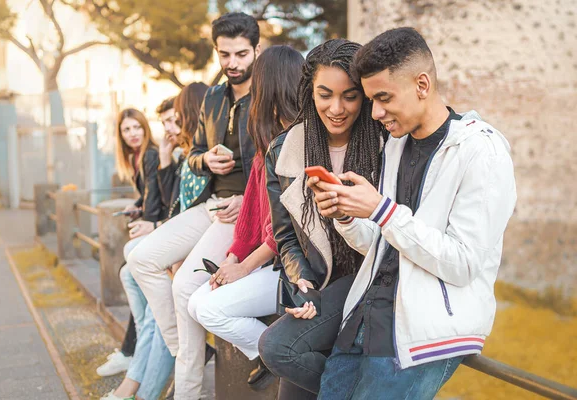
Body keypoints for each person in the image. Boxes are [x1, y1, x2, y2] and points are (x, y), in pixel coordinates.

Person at [310, 27, 517, 399]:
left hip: (422, 337)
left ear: (422, 84)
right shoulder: (396, 145)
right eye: (372, 99)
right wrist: (346, 215)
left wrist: (382, 211)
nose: (375, 112)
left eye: (384, 97)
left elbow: (464, 263)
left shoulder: (482, 151)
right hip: (363, 320)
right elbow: (383, 242)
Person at [129, 12, 260, 399]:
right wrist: (207, 160)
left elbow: (276, 163)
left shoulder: (269, 96)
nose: (232, 63)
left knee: (185, 285)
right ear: (216, 51)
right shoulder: (214, 98)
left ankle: (188, 389)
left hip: (243, 210)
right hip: (210, 205)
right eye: (224, 54)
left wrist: (245, 198)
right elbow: (195, 152)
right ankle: (187, 352)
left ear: (256, 50)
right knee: (140, 259)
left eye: (240, 54)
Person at [257, 39, 386, 400]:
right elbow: (285, 237)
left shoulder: (386, 143)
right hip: (320, 286)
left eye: (350, 96)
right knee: (283, 355)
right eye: (325, 94)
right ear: (309, 91)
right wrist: (302, 281)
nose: (337, 108)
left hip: (370, 280)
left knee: (280, 349)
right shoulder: (285, 151)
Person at [187, 45, 304, 390]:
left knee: (208, 310)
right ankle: (270, 352)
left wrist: (245, 267)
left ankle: (276, 353)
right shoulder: (267, 142)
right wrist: (234, 257)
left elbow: (288, 230)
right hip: (269, 263)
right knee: (196, 301)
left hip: (292, 269)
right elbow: (252, 216)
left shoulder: (298, 144)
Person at [101, 90, 212, 400]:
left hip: (195, 248)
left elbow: (169, 209)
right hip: (179, 242)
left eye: (175, 121)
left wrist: (155, 223)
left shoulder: (192, 157)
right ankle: (133, 360)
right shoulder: (178, 156)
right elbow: (171, 206)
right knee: (136, 279)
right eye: (165, 123)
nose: (170, 129)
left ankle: (140, 389)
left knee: (154, 311)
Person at [96, 107, 164, 377]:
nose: (133, 133)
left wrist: (148, 219)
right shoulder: (137, 157)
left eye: (137, 127)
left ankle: (129, 352)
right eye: (126, 129)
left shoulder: (150, 154)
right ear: (121, 135)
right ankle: (130, 351)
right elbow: (148, 195)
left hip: (161, 229)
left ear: (145, 127)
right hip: (152, 224)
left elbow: (158, 200)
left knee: (131, 274)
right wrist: (138, 206)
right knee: (140, 289)